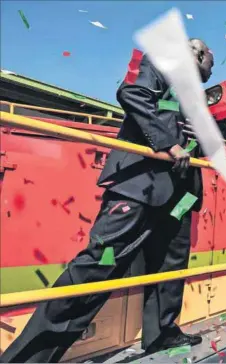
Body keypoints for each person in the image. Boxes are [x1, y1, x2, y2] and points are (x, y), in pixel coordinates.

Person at [0, 39, 214, 363]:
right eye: (210, 57)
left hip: (180, 196)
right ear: (196, 53)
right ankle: (28, 358)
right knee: (97, 267)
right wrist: (170, 145)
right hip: (140, 186)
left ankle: (162, 332)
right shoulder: (162, 62)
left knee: (170, 265)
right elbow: (133, 94)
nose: (211, 64)